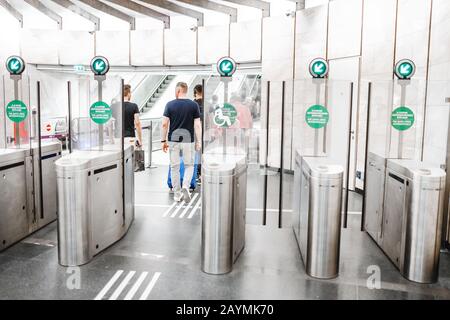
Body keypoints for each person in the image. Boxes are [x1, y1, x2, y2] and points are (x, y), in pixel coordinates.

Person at [161, 82, 202, 203]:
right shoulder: (193, 105)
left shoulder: (170, 105)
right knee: (189, 165)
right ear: (186, 91)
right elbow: (197, 125)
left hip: (173, 140)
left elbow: (164, 124)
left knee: (175, 167)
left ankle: (177, 194)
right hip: (188, 139)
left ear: (178, 90)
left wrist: (163, 140)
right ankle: (186, 185)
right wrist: (198, 141)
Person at [193, 84, 204, 180]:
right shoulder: (208, 104)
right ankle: (201, 173)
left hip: (193, 133)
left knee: (195, 153)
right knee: (203, 153)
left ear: (195, 93)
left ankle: (195, 173)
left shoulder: (191, 104)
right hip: (206, 133)